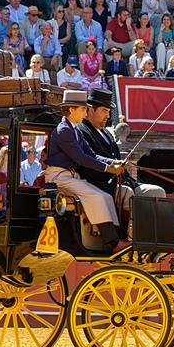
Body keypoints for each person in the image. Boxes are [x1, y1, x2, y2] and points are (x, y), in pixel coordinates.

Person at [44, 90, 127, 251]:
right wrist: (108, 168)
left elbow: (92, 154)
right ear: (71, 110)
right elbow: (80, 158)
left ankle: (117, 239)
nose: (85, 112)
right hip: (59, 177)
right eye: (82, 109)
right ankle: (112, 243)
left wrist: (114, 162)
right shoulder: (63, 130)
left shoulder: (74, 129)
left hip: (70, 176)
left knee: (105, 197)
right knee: (95, 196)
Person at [78, 88, 165, 229]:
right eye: (104, 111)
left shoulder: (106, 133)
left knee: (157, 192)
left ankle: (153, 237)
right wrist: (113, 172)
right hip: (102, 184)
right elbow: (89, 161)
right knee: (128, 193)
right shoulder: (82, 131)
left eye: (108, 111)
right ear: (91, 110)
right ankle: (131, 236)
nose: (108, 115)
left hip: (124, 182)